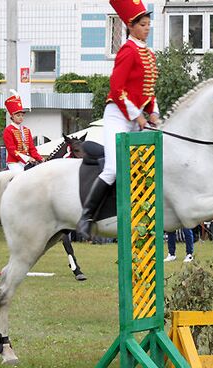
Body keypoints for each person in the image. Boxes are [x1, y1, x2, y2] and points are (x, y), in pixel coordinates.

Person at [77, 0, 159, 239]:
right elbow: (117, 89)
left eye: (148, 24)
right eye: (143, 24)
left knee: (144, 168)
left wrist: (153, 112)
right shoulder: (127, 51)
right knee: (113, 168)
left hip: (137, 117)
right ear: (131, 26)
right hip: (117, 115)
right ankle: (87, 217)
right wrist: (138, 115)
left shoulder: (148, 53)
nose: (147, 28)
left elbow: (148, 90)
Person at [3, 90, 43, 172]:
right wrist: (28, 158)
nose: (21, 117)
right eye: (18, 115)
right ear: (12, 116)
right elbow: (12, 150)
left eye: (22, 115)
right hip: (14, 163)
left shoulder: (26, 130)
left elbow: (32, 149)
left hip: (27, 162)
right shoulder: (8, 130)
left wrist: (41, 158)